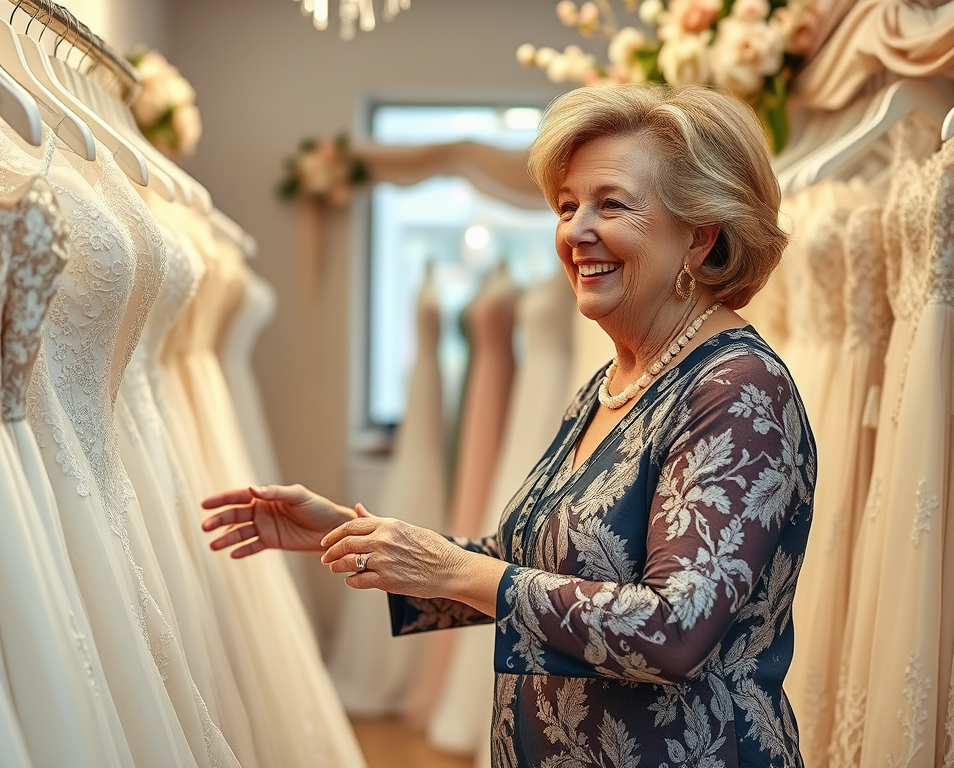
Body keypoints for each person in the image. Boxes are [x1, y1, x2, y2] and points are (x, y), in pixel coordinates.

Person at [201, 83, 815, 768]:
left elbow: (673, 629)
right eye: (566, 205)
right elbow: (528, 560)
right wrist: (354, 535)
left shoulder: (737, 389)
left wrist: (459, 570)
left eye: (610, 204)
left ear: (700, 236)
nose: (576, 231)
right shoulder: (611, 384)